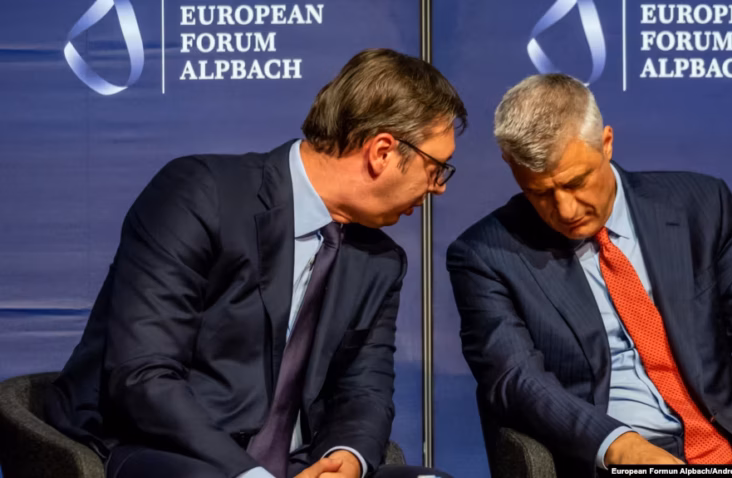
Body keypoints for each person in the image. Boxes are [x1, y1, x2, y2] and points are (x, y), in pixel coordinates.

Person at [46, 48, 465, 478]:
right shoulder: (200, 196)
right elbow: (143, 377)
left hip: (298, 463)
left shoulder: (381, 260)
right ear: (382, 151)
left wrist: (347, 459)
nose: (439, 188)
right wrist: (249, 474)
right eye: (437, 167)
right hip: (175, 452)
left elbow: (365, 390)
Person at [447, 74, 732, 475]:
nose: (566, 210)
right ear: (511, 167)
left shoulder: (701, 207)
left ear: (606, 143)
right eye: (540, 193)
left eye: (577, 183)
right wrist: (620, 445)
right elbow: (516, 379)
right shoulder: (487, 255)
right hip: (615, 457)